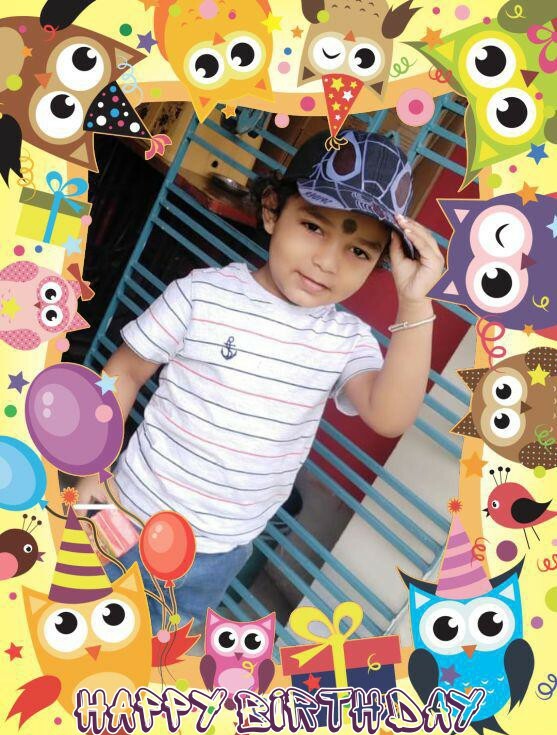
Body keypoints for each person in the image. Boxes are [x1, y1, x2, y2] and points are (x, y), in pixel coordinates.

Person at [78, 129, 445, 633]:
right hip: (125, 511)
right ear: (272, 211)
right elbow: (123, 372)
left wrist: (416, 301)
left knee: (150, 651)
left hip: (216, 555)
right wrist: (91, 471)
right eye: (313, 226)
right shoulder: (202, 295)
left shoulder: (346, 341)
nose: (327, 261)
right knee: (71, 618)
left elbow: (389, 416)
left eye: (359, 252)